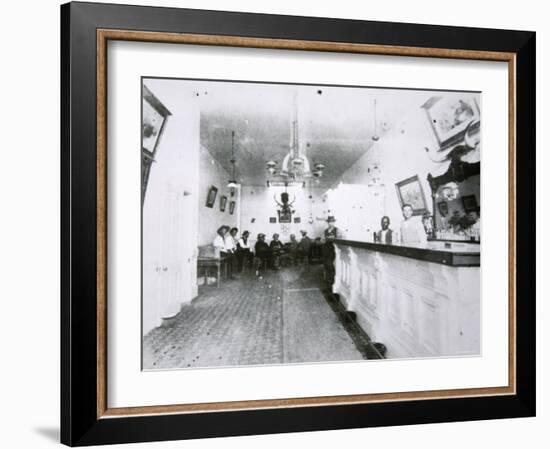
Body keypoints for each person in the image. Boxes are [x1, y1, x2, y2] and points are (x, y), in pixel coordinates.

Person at [322, 216, 339, 285]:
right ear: (327, 223)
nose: (330, 223)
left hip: (332, 249)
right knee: (326, 264)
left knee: (330, 264)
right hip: (325, 249)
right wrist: (324, 239)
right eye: (329, 222)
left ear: (334, 222)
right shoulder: (325, 231)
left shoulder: (337, 230)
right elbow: (322, 240)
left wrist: (334, 238)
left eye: (332, 222)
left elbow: (342, 239)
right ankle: (328, 280)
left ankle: (332, 279)